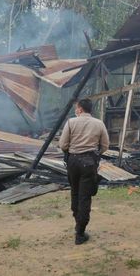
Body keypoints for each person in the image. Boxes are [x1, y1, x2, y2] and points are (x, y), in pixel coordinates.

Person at [59, 98, 109, 245]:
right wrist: (95, 154)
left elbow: (63, 144)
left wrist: (71, 150)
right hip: (89, 162)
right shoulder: (99, 124)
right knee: (85, 196)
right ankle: (80, 232)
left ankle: (78, 223)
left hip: (73, 162)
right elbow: (105, 145)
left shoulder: (70, 122)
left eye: (77, 108)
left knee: (75, 192)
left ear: (80, 109)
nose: (76, 110)